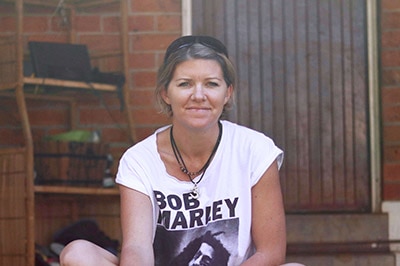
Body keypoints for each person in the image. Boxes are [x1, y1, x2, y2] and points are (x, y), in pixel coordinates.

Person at [60, 35, 304, 266]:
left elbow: (271, 252)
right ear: (166, 93)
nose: (198, 96)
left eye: (211, 84)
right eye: (185, 84)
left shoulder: (254, 150)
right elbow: (137, 247)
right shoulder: (139, 160)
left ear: (227, 93)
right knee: (78, 252)